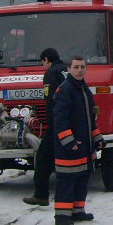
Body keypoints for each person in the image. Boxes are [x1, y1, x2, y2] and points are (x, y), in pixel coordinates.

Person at [51, 56, 103, 225]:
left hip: (83, 146)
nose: (79, 70)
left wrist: (97, 138)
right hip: (68, 147)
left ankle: (78, 211)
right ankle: (62, 216)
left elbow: (90, 120)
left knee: (81, 179)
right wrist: (69, 142)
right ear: (69, 69)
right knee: (67, 181)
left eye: (82, 67)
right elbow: (60, 120)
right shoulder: (65, 90)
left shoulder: (84, 90)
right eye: (76, 67)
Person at [24, 47, 68, 207]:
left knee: (43, 158)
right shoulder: (66, 70)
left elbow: (50, 100)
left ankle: (41, 194)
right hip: (71, 122)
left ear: (46, 60)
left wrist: (49, 122)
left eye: (43, 62)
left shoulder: (51, 73)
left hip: (57, 123)